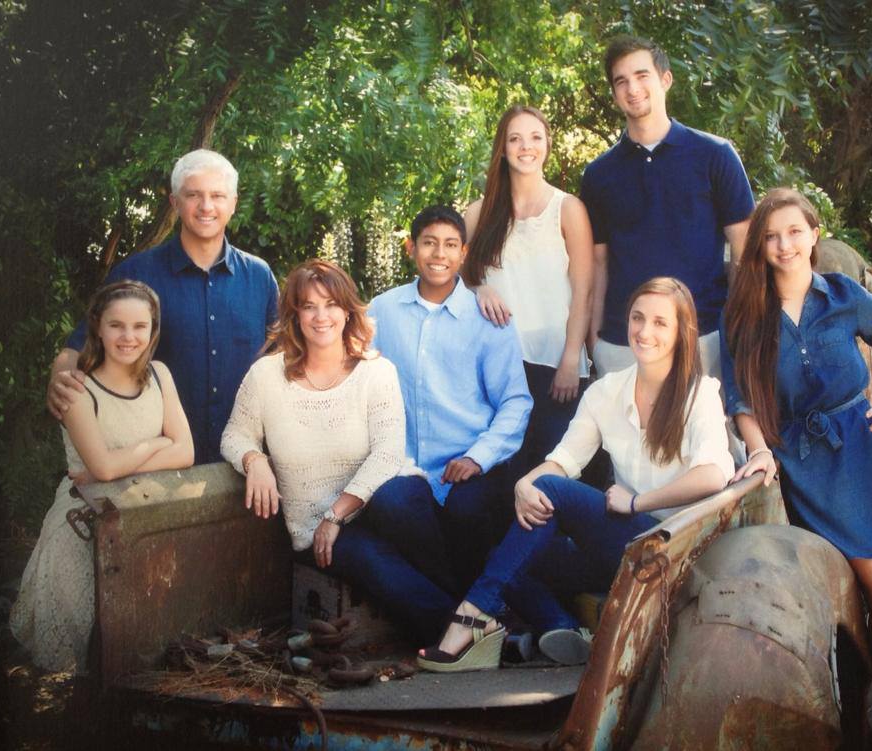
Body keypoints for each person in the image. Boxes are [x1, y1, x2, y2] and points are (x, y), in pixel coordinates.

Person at [417, 277, 734, 672]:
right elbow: (564, 460)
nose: (644, 331)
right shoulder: (607, 392)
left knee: (545, 500)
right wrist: (523, 484)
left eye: (659, 323)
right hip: (622, 549)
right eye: (638, 318)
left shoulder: (698, 393)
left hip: (677, 548)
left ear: (681, 333)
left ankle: (472, 619)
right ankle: (562, 628)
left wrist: (637, 502)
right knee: (507, 555)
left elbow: (714, 476)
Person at [720, 188, 872, 751]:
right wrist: (758, 448)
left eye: (795, 232)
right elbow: (741, 399)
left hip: (867, 451)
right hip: (811, 466)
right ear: (760, 246)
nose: (784, 244)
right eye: (772, 236)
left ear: (815, 234)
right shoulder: (746, 313)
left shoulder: (842, 294)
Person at [220, 259, 454, 644]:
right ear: (294, 315)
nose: (320, 316)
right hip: (316, 528)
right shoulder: (266, 375)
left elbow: (388, 453)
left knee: (403, 495)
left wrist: (337, 513)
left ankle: (469, 614)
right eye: (308, 306)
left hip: (376, 507)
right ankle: (465, 628)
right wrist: (254, 460)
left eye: (330, 304)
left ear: (348, 311)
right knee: (373, 561)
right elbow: (234, 434)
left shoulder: (377, 372)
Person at [47, 149, 278, 464]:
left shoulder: (259, 276)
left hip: (243, 464)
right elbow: (81, 344)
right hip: (158, 464)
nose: (207, 206)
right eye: (194, 195)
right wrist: (60, 375)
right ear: (175, 202)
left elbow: (283, 358)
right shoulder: (136, 273)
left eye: (218, 196)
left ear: (233, 203)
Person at [11, 281, 194, 672]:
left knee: (140, 647)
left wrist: (125, 460)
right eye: (116, 326)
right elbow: (104, 470)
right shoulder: (78, 388)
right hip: (83, 525)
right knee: (81, 663)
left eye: (139, 327)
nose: (128, 337)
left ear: (153, 329)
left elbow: (187, 452)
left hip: (142, 519)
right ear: (97, 327)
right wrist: (156, 444)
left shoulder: (160, 375)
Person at [367, 205, 533, 598]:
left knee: (465, 511)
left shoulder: (487, 319)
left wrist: (478, 456)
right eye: (429, 243)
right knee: (389, 502)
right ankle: (463, 608)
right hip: (404, 463)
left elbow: (515, 401)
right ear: (411, 248)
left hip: (469, 462)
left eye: (449, 245)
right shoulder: (381, 312)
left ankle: (459, 609)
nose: (439, 254)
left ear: (464, 253)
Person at [581, 36, 754, 378]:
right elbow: (598, 265)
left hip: (702, 337)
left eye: (642, 75)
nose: (633, 88)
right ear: (614, 94)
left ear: (665, 79)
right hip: (622, 343)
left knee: (704, 432)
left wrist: (738, 327)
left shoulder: (715, 155)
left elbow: (744, 250)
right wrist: (594, 339)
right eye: (621, 81)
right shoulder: (599, 174)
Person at [463, 105, 594, 469]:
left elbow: (583, 291)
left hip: (555, 365)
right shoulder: (478, 213)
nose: (526, 147)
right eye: (515, 139)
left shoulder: (567, 209)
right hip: (498, 367)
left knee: (549, 472)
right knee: (502, 474)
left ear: (547, 145)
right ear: (502, 148)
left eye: (535, 137)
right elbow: (448, 275)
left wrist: (571, 357)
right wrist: (478, 288)